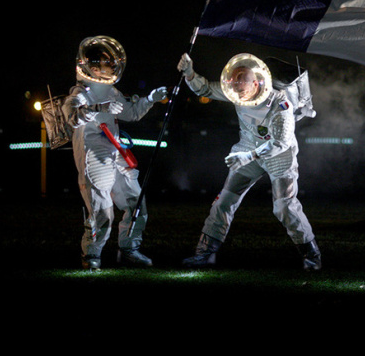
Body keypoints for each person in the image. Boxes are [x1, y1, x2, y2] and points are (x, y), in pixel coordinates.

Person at [177, 52, 321, 271]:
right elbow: (204, 88)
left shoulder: (280, 103)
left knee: (284, 207)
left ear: (257, 81)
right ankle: (204, 253)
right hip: (247, 150)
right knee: (224, 201)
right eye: (233, 79)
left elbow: (281, 143)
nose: (236, 84)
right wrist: (189, 73)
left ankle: (312, 255)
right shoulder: (234, 93)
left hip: (277, 156)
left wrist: (249, 156)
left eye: (242, 78)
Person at [63, 35, 168, 271]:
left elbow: (130, 113)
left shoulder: (111, 92)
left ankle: (129, 248)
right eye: (106, 62)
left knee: (135, 202)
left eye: (112, 62)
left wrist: (150, 99)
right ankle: (92, 255)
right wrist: (99, 109)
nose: (111, 66)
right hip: (94, 154)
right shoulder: (80, 93)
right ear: (90, 65)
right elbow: (72, 117)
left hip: (116, 151)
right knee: (102, 210)